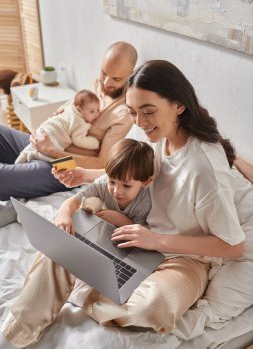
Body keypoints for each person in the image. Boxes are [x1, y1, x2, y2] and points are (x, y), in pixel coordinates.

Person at [1, 59, 252, 349]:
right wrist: (87, 174)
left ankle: (83, 288)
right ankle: (11, 338)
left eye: (148, 112)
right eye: (133, 112)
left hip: (185, 258)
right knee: (60, 244)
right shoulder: (151, 135)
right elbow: (131, 173)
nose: (140, 122)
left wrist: (157, 239)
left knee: (153, 309)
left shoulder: (204, 166)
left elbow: (232, 246)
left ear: (179, 105)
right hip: (135, 235)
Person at [0, 41, 137, 201]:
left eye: (116, 78)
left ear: (130, 75)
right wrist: (47, 127)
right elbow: (72, 105)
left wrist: (51, 151)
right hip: (50, 141)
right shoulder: (95, 84)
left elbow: (102, 164)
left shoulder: (124, 113)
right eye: (104, 73)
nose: (106, 82)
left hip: (65, 165)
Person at [54, 138, 154, 233]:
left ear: (145, 182)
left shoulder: (143, 202)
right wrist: (63, 214)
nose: (116, 191)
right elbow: (73, 201)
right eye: (112, 182)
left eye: (126, 186)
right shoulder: (102, 184)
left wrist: (120, 219)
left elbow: (139, 232)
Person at [15, 89, 100, 164]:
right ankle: (34, 155)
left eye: (98, 110)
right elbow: (78, 139)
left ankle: (24, 154)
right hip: (55, 137)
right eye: (92, 111)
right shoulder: (81, 123)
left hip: (44, 128)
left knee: (32, 144)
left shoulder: (69, 107)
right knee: (53, 158)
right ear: (79, 109)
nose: (97, 114)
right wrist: (95, 143)